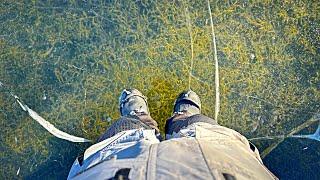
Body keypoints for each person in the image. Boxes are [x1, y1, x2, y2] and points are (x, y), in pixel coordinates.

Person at [68, 89, 277, 180]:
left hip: (115, 166)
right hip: (217, 162)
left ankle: (138, 120)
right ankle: (182, 120)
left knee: (125, 131)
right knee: (200, 127)